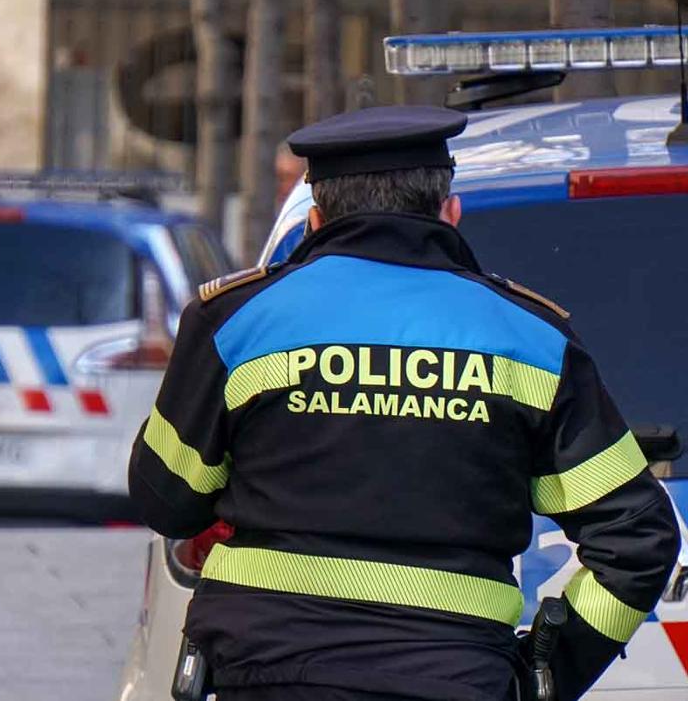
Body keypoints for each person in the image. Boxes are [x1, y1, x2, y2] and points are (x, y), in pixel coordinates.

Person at [128, 106, 680, 701]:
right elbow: (637, 540)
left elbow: (169, 500)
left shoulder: (235, 321)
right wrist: (545, 669)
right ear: (450, 213)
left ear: (315, 220)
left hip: (268, 673)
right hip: (458, 680)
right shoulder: (532, 338)